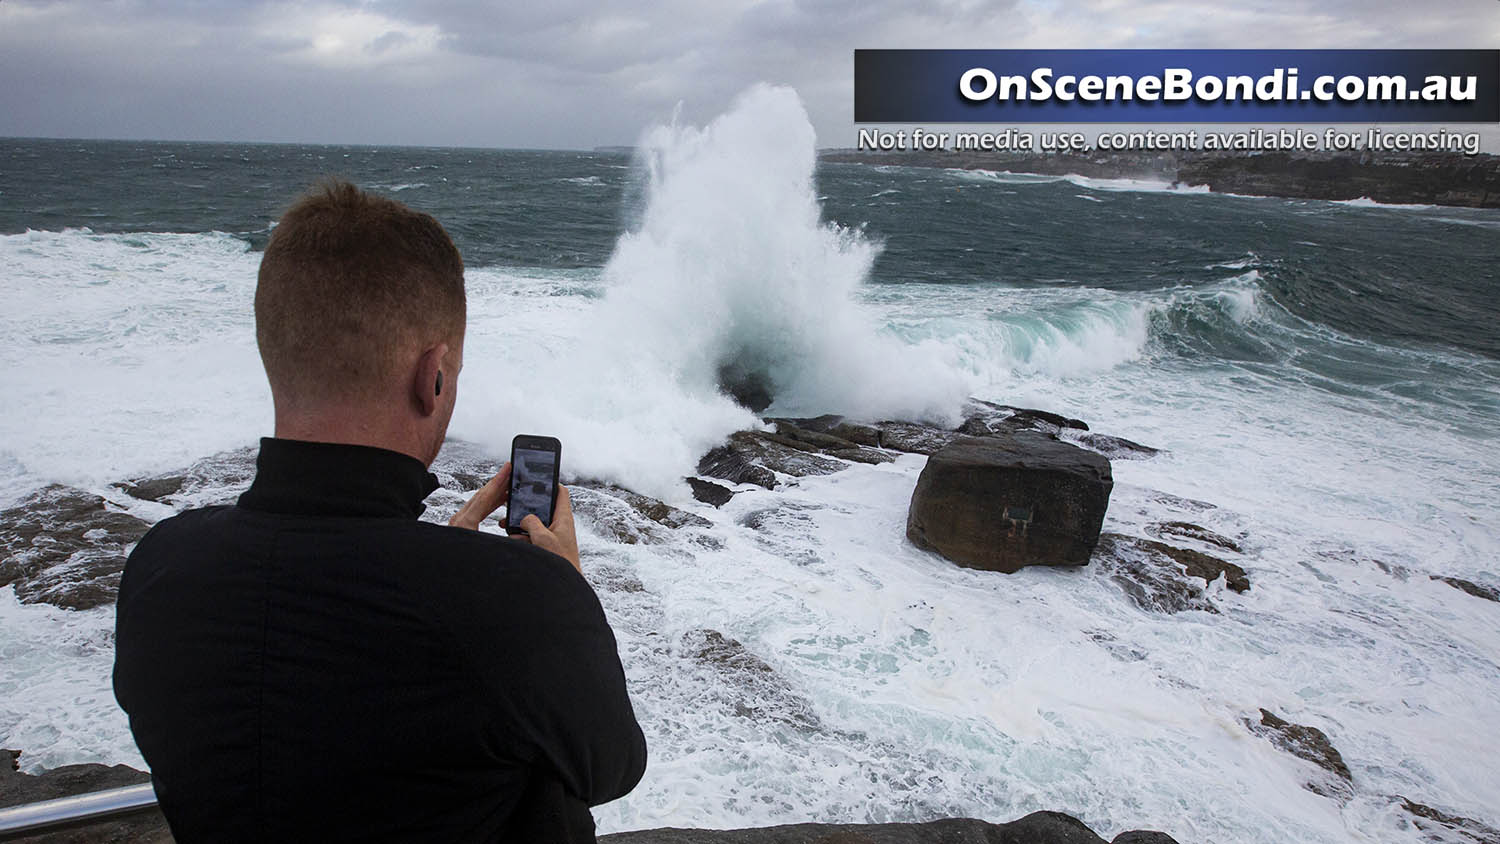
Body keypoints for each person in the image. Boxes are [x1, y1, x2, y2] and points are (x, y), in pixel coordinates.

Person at [113, 181, 647, 843]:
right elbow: (611, 767)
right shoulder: (513, 600)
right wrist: (553, 587)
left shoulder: (161, 568)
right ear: (435, 375)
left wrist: (456, 567)